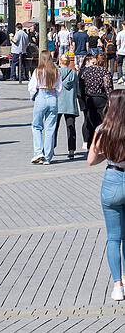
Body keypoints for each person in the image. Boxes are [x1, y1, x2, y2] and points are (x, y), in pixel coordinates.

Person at [87, 89, 125, 301]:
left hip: (112, 180)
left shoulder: (103, 129)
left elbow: (91, 160)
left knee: (113, 237)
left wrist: (109, 157)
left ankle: (117, 285)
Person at [28, 51, 62, 165]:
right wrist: (54, 94)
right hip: (52, 98)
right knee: (50, 128)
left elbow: (32, 87)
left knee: (36, 126)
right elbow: (59, 88)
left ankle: (38, 152)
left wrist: (33, 97)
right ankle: (47, 156)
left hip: (41, 95)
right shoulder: (56, 71)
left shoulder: (37, 71)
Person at [78, 53, 113, 149]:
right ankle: (101, 143)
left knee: (90, 120)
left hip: (89, 98)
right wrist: (110, 99)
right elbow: (108, 87)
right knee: (102, 121)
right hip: (101, 98)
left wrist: (83, 98)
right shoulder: (104, 71)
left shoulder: (87, 71)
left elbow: (81, 83)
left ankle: (90, 143)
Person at [55, 54, 79, 160]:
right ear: (69, 62)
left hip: (58, 103)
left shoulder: (56, 72)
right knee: (71, 127)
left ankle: (51, 147)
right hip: (70, 103)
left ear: (60, 62)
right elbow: (77, 89)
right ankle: (71, 150)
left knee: (54, 127)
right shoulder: (73, 73)